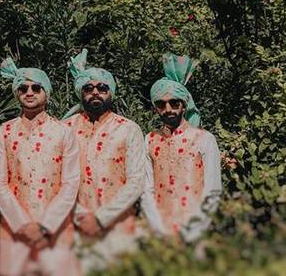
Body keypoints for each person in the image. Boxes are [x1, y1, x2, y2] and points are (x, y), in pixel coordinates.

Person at [0, 57, 80, 276]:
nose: (29, 92)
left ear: (46, 93)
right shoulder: (3, 132)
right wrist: (23, 224)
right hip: (15, 228)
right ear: (17, 93)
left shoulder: (63, 132)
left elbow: (70, 183)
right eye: (23, 88)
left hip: (55, 228)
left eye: (36, 87)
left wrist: (44, 226)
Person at [61, 49, 146, 272]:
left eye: (102, 87)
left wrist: (100, 218)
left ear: (111, 91)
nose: (95, 92)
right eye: (88, 88)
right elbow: (56, 179)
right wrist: (82, 217)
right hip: (74, 225)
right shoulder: (64, 129)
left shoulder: (129, 129)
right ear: (81, 93)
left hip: (118, 225)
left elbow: (137, 181)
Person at [141, 53, 222, 242]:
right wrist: (160, 231)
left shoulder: (204, 139)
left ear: (184, 105)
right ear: (155, 108)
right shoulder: (150, 139)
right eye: (161, 104)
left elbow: (212, 190)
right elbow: (147, 189)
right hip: (160, 233)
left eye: (174, 103)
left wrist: (192, 233)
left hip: (196, 233)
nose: (168, 109)